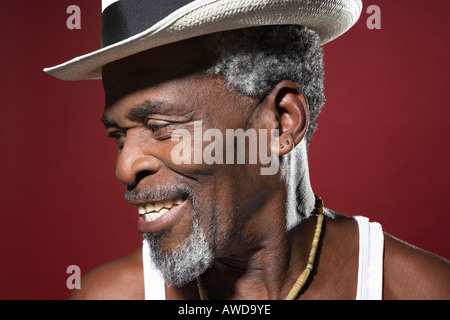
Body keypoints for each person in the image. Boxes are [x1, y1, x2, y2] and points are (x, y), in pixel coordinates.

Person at [44, 0, 449, 300]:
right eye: (119, 135)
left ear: (280, 121)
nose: (125, 166)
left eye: (159, 127)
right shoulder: (111, 297)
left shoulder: (418, 290)